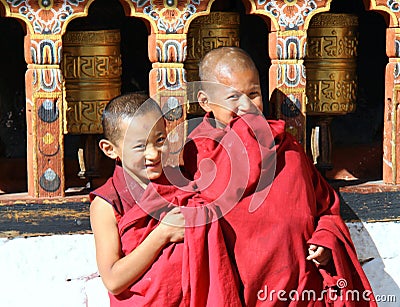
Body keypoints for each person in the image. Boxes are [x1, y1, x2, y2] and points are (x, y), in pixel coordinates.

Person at [182, 47, 377, 306]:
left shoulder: (285, 146)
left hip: (300, 288)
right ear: (205, 101)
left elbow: (325, 207)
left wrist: (325, 239)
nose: (247, 106)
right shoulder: (197, 155)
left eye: (254, 94)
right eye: (233, 97)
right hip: (242, 291)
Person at [89, 92, 241, 306]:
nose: (153, 153)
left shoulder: (181, 181)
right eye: (140, 146)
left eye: (159, 139)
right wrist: (163, 234)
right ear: (110, 149)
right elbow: (113, 280)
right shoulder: (107, 203)